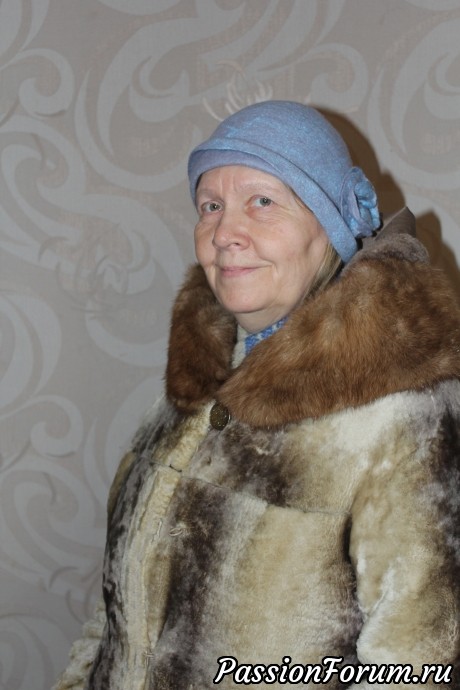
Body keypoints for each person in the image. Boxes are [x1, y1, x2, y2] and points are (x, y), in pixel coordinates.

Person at [54, 101, 460, 689]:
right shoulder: (193, 389)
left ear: (331, 223)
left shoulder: (403, 412)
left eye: (263, 202)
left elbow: (417, 663)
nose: (224, 233)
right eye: (210, 206)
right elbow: (113, 617)